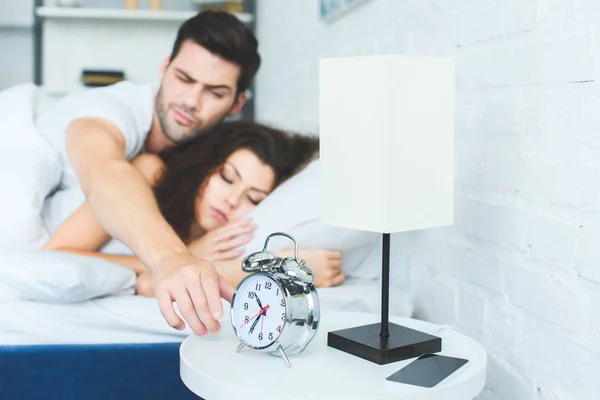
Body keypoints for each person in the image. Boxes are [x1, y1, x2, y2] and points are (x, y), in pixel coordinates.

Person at [35, 11, 261, 336]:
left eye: (215, 92)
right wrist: (172, 258)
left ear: (237, 103)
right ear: (164, 68)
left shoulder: (202, 155)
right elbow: (104, 173)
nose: (190, 102)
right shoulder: (110, 111)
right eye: (184, 78)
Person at [44, 121, 345, 300]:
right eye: (226, 178)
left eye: (253, 199)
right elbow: (57, 252)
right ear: (206, 167)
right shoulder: (152, 173)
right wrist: (185, 255)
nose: (231, 200)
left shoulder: (226, 244)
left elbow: (150, 284)